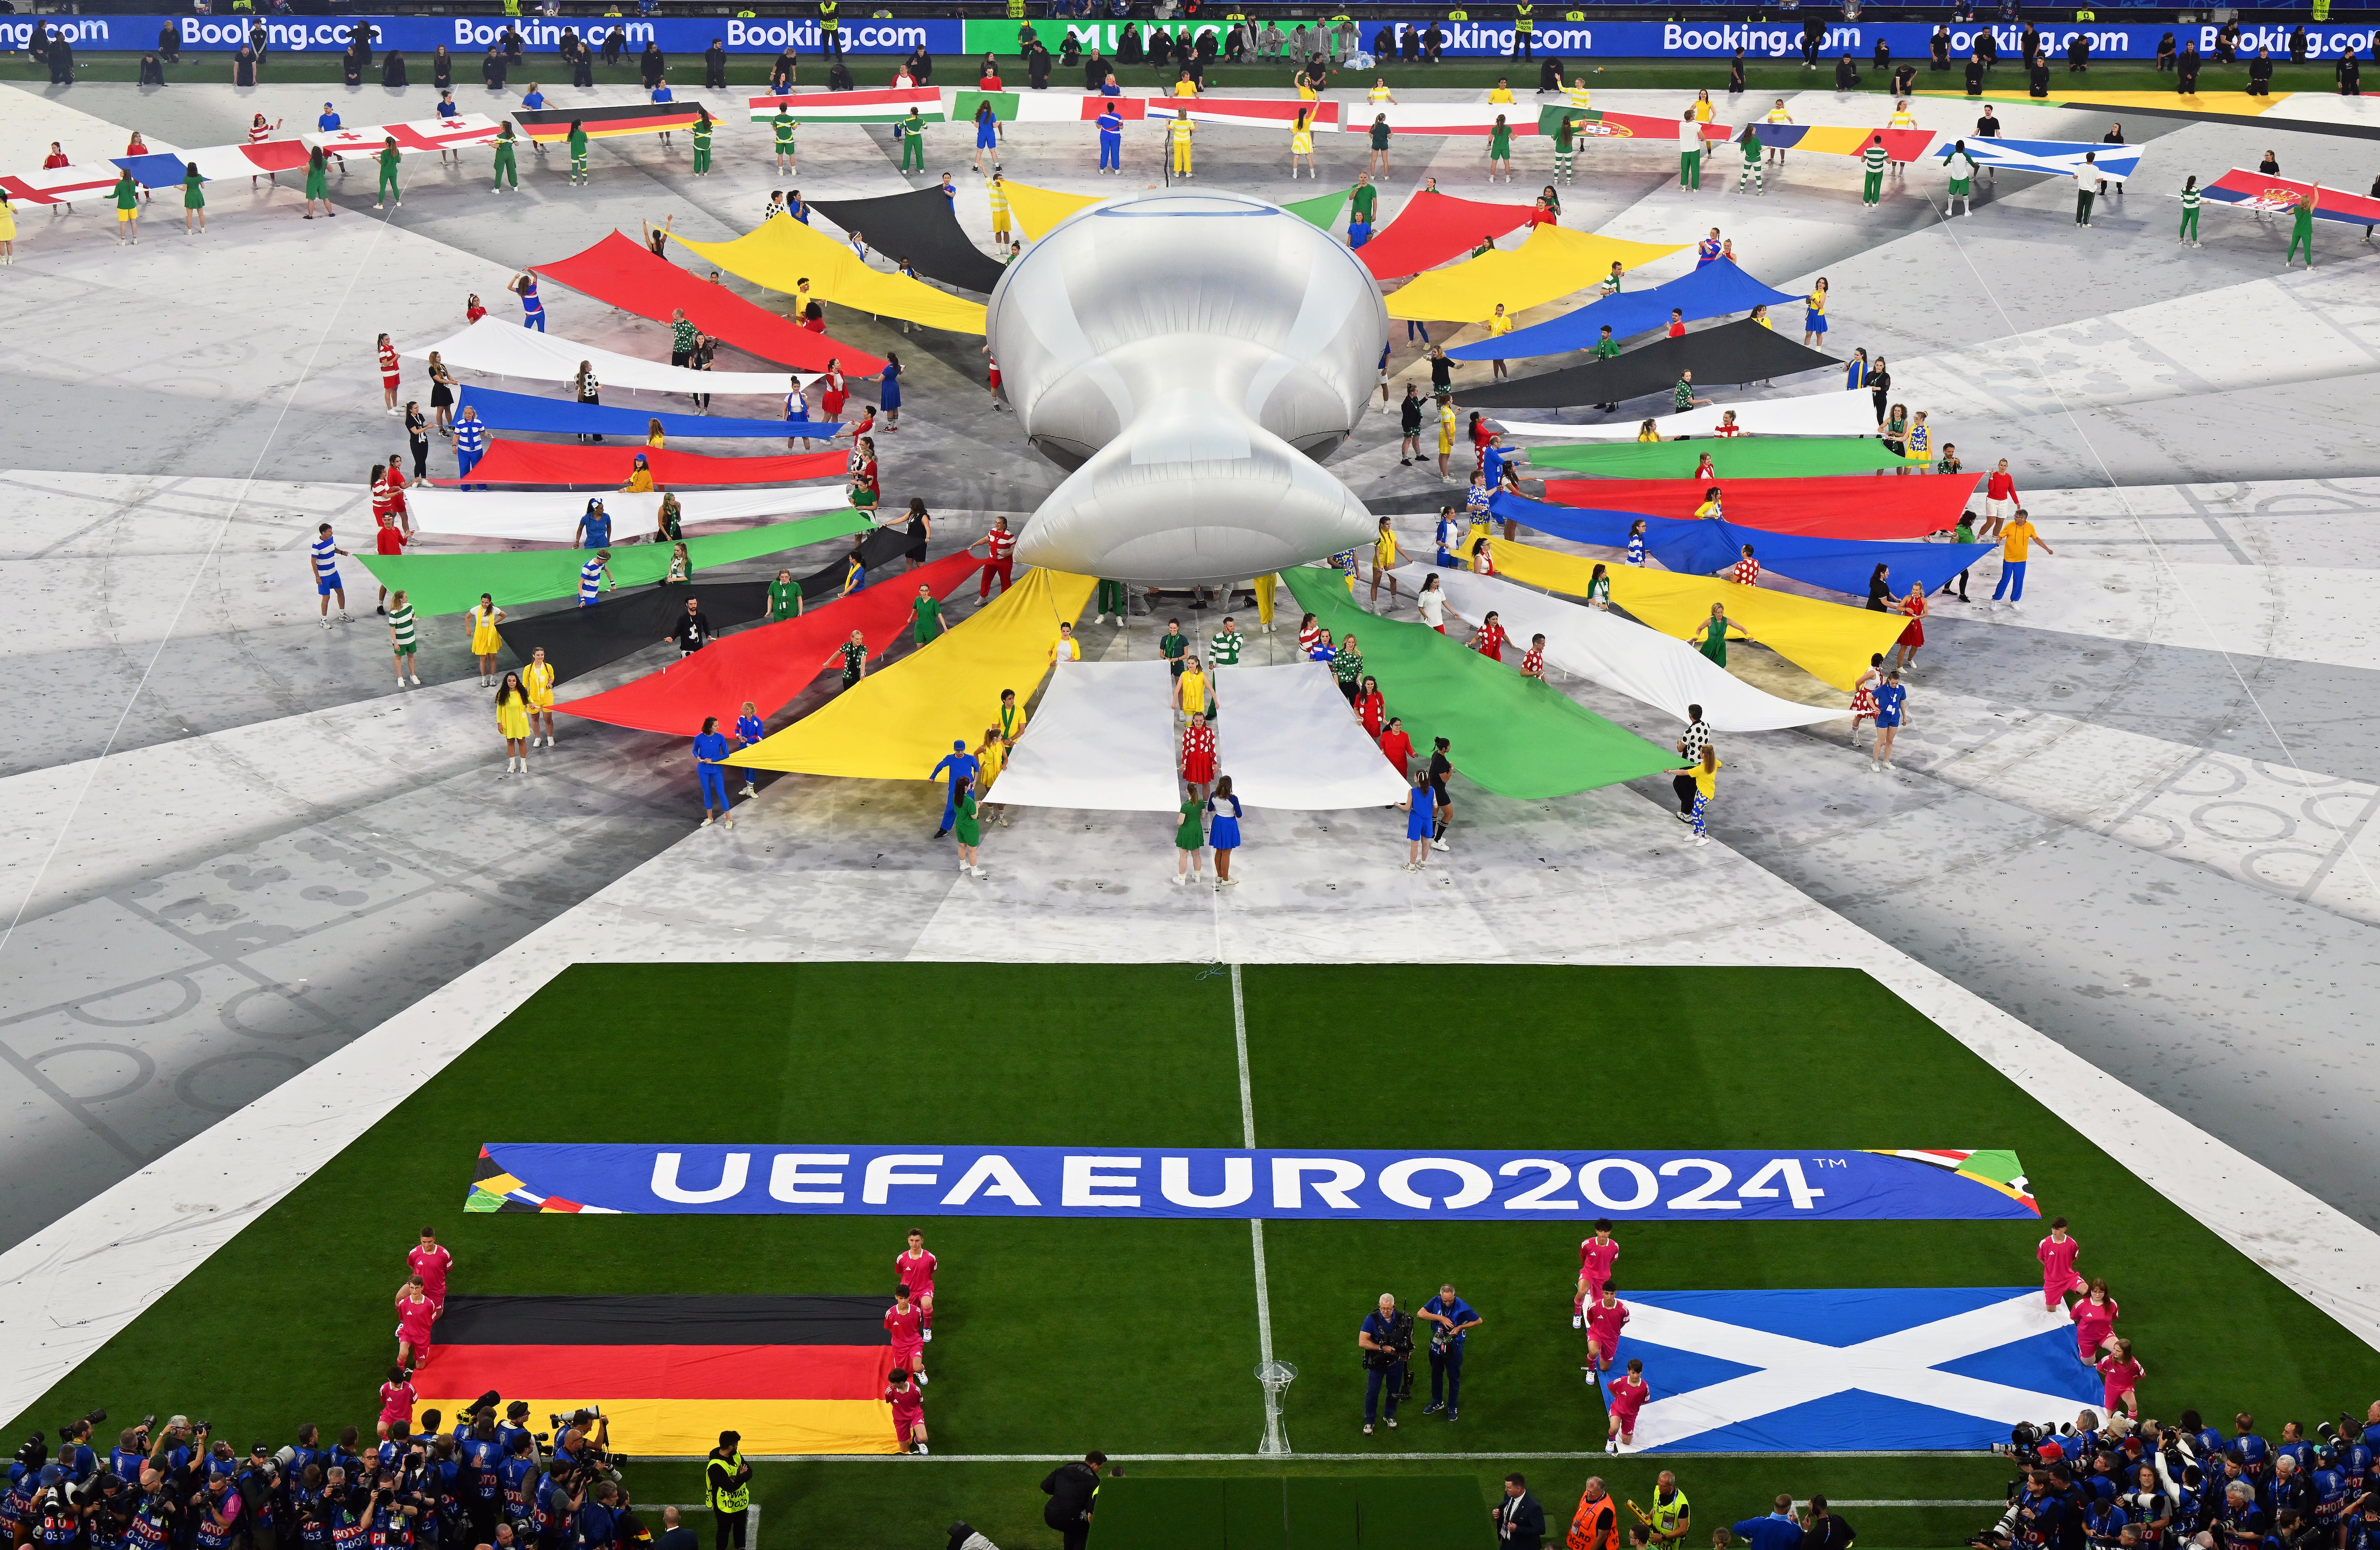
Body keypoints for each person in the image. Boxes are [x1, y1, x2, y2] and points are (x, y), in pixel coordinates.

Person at [1418, 1283, 1480, 1421]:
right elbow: (1420, 1314)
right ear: (1441, 1296)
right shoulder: (1436, 1301)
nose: (1447, 1303)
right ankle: (1437, 1402)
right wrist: (1441, 1318)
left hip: (1454, 1347)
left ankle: (1453, 1406)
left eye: (1450, 1301)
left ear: (1454, 1296)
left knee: (1453, 1377)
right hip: (1436, 1345)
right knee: (1436, 1374)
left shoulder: (1461, 1306)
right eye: (1445, 1301)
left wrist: (1460, 1327)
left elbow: (1478, 1320)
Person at [1359, 1293, 1413, 1433]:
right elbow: (1362, 1341)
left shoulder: (1403, 1319)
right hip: (1378, 1361)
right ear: (1379, 1306)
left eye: (1388, 1309)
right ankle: (1370, 1421)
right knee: (1372, 1392)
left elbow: (1409, 1339)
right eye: (1383, 1308)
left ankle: (1389, 1415)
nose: (1385, 1312)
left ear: (1394, 1307)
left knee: (1393, 1391)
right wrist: (1382, 1348)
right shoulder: (1372, 1319)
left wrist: (1407, 1351)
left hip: (1396, 1362)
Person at [1991, 506, 2051, 608]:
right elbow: (2001, 535)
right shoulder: (2010, 526)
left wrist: (2047, 549)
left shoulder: (2030, 527)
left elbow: (2036, 539)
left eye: (2017, 517)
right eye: (2015, 516)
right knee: (2005, 579)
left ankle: (2014, 600)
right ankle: (1995, 599)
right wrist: (1999, 540)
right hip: (2009, 559)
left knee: (2019, 580)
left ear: (2023, 519)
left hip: (2022, 560)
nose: (2015, 519)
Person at [1041, 1455, 1105, 1550]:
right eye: (1100, 1468)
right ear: (1094, 1465)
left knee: (1071, 1528)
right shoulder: (1094, 1482)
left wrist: (1061, 1493)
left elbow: (1045, 1486)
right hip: (1068, 1518)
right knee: (1084, 1530)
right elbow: (1090, 1512)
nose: (1100, 1471)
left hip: (1050, 1514)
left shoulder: (1062, 1470)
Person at [1675, 745, 1720, 845]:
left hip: (1705, 794)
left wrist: (1670, 771)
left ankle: (1705, 837)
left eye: (1700, 752)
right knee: (1696, 813)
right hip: (1702, 792)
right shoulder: (1714, 762)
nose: (1699, 753)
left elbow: (1684, 772)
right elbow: (1720, 765)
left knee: (1696, 815)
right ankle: (1696, 834)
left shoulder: (1701, 768)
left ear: (1704, 755)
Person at [1204, 775, 1243, 885]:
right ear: (1230, 786)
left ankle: (1219, 876)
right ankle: (1226, 880)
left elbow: (1210, 809)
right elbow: (1239, 815)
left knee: (1219, 851)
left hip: (1218, 823)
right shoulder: (1233, 799)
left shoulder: (1213, 795)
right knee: (1226, 852)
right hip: (1229, 824)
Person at [1606, 1358, 1651, 1451]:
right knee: (1614, 1428)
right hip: (1617, 1410)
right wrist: (1618, 1398)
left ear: (1641, 1372)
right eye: (1633, 1373)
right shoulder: (1621, 1381)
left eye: (1638, 1373)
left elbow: (1646, 1401)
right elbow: (1610, 1386)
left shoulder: (1644, 1387)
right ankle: (1611, 1439)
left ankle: (1621, 1424)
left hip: (1631, 1416)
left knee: (1626, 1442)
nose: (1635, 1376)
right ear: (1628, 1371)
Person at [1494, 1475, 1547, 1550]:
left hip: (1523, 1546)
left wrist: (1518, 1529)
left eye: (1509, 1488)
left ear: (1518, 1489)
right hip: (1506, 1542)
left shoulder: (1533, 1507)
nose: (1506, 1490)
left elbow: (1540, 1529)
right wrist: (1498, 1512)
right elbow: (1506, 1505)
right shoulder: (1510, 1494)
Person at [1869, 669, 1907, 773]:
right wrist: (1875, 708)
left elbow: (1902, 704)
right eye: (1892, 683)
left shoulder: (1901, 689)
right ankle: (1875, 763)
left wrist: (1904, 716)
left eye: (1897, 683)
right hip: (1883, 718)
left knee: (1890, 741)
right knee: (1881, 741)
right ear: (1889, 680)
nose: (1894, 685)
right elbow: (1870, 697)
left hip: (1895, 718)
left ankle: (1886, 761)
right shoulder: (1882, 689)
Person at [885, 1369, 927, 1455]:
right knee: (904, 1450)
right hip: (900, 1419)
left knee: (924, 1439)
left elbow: (921, 1402)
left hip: (915, 1415)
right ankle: (911, 1427)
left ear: (900, 1383)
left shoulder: (915, 1390)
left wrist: (912, 1412)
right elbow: (890, 1401)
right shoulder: (889, 1391)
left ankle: (918, 1440)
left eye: (893, 1383)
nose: (890, 1384)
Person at [524, 646, 557, 750]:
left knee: (548, 719)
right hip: (533, 698)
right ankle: (538, 738)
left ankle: (550, 737)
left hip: (547, 698)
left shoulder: (548, 667)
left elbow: (552, 678)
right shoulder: (528, 669)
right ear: (534, 656)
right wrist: (527, 700)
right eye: (538, 655)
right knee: (535, 718)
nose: (540, 657)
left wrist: (549, 683)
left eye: (542, 655)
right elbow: (525, 686)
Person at [467, 593, 505, 685]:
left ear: (490, 602)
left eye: (486, 603)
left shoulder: (494, 610)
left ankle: (492, 678)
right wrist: (468, 629)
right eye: (483, 602)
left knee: (492, 658)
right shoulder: (476, 609)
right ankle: (484, 679)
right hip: (480, 637)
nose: (484, 604)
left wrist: (495, 623)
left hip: (491, 636)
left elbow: (504, 615)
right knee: (483, 659)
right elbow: (467, 617)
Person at [2287, 187, 2318, 268]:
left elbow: (2287, 213)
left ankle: (2288, 262)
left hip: (2297, 231)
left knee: (2293, 246)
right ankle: (2309, 266)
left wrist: (2294, 213)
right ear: (2309, 202)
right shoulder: (2310, 209)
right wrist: (2315, 188)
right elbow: (2317, 199)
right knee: (2307, 249)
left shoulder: (2295, 209)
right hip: (2306, 232)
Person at [1802, 278, 1828, 346]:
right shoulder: (1814, 292)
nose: (1821, 284)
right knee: (1808, 333)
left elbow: (1820, 306)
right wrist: (1808, 299)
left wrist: (1813, 299)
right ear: (1817, 283)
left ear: (1825, 286)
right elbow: (1808, 303)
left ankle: (1818, 351)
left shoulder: (1823, 295)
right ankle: (1806, 349)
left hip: (1818, 315)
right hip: (1812, 314)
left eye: (1823, 283)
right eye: (1820, 282)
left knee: (1819, 334)